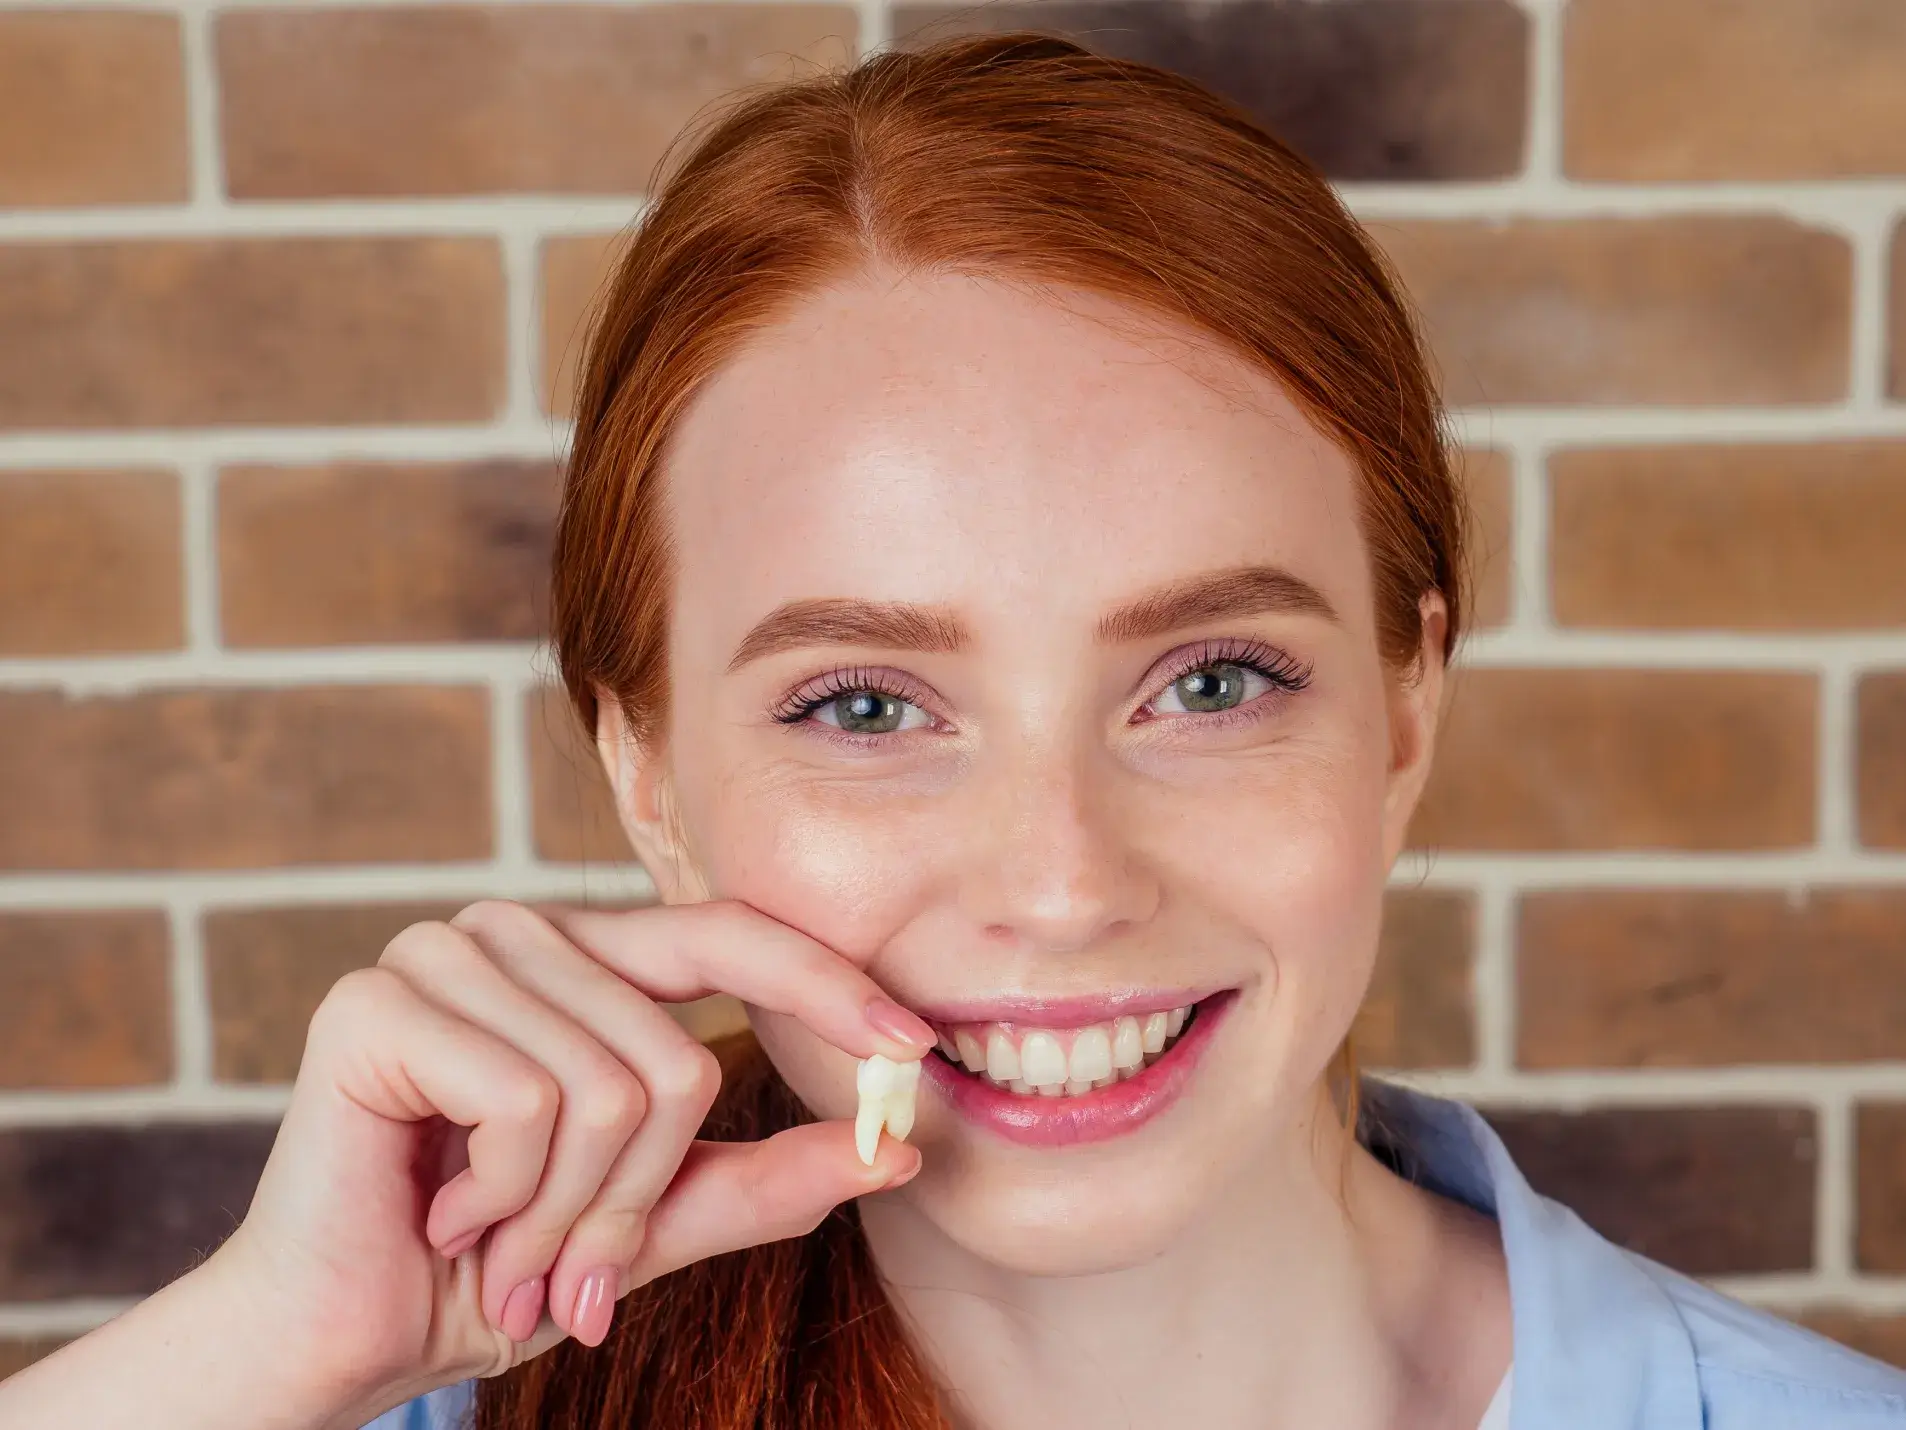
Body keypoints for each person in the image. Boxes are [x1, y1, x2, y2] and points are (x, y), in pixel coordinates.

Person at [4, 31, 1903, 1430]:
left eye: (1213, 680)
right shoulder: (363, 1393)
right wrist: (272, 1340)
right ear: (645, 777)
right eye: (865, 703)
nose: (1063, 882)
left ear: (1406, 708)